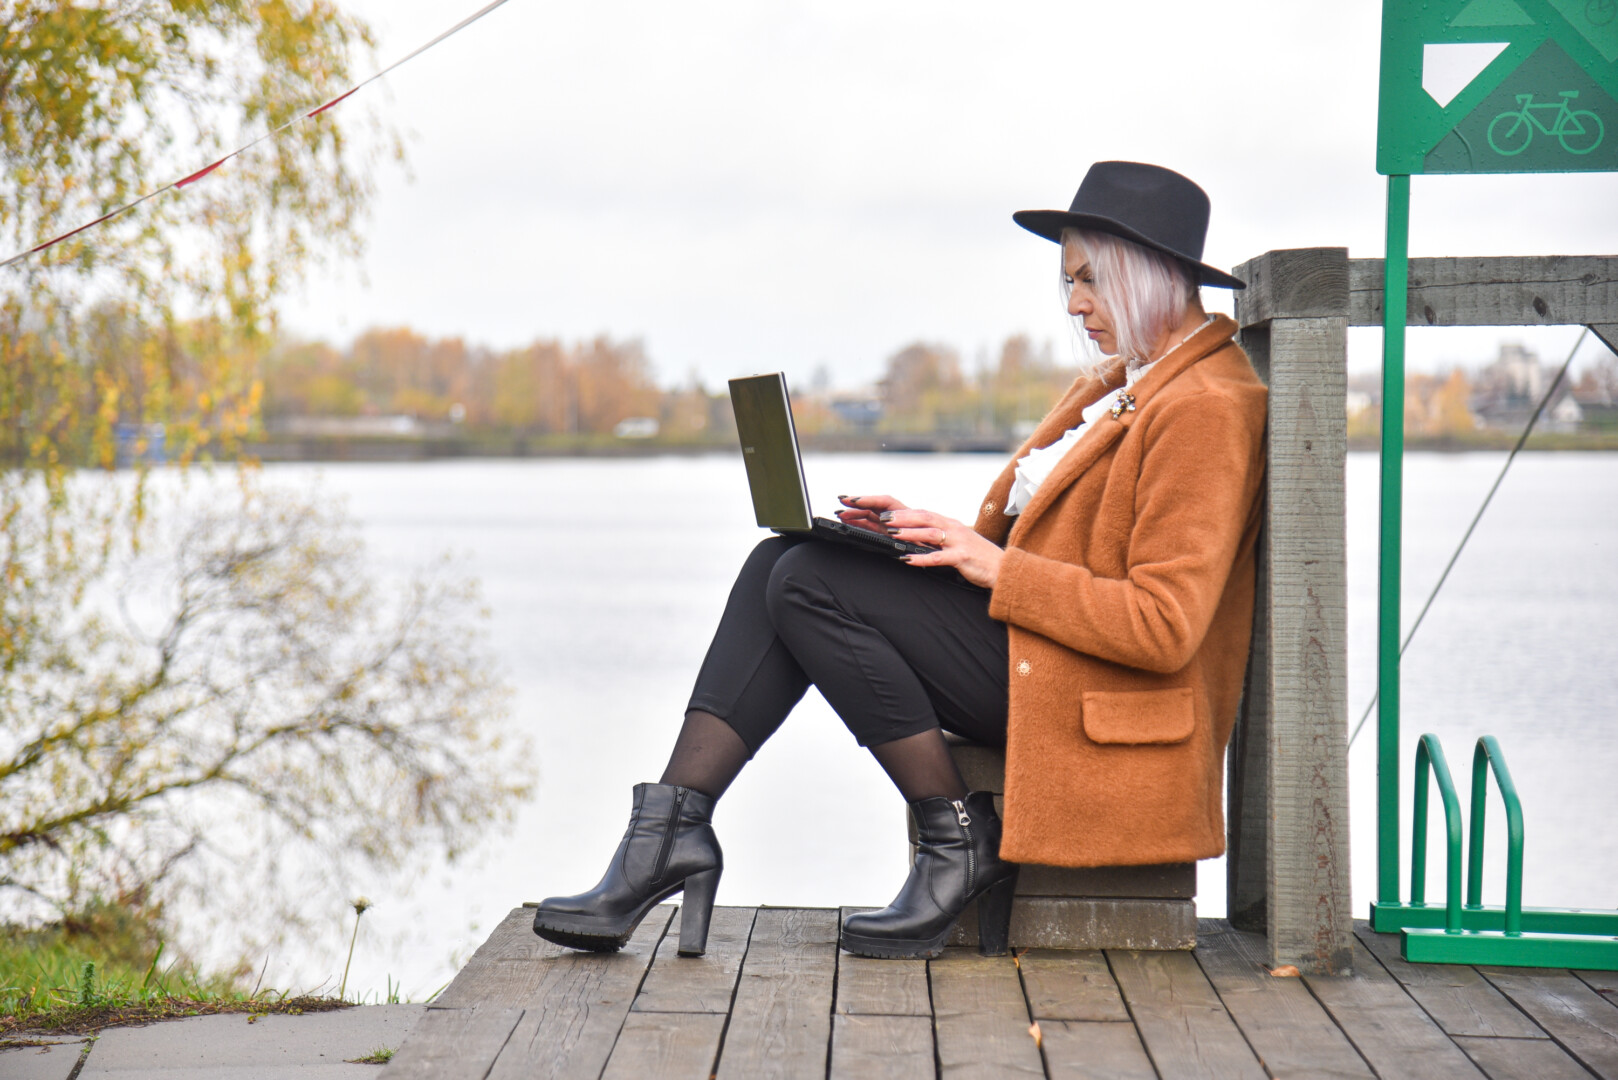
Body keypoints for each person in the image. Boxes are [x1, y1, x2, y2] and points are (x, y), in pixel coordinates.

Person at [531, 161, 1268, 961]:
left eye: (1089, 280)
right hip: (1046, 657)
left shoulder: (1207, 407)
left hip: (1099, 695)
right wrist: (926, 539)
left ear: (1146, 274)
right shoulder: (1124, 382)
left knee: (808, 581)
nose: (1074, 304)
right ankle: (669, 831)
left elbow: (1164, 624)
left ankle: (955, 844)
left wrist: (996, 568)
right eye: (1069, 282)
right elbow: (1053, 547)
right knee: (782, 559)